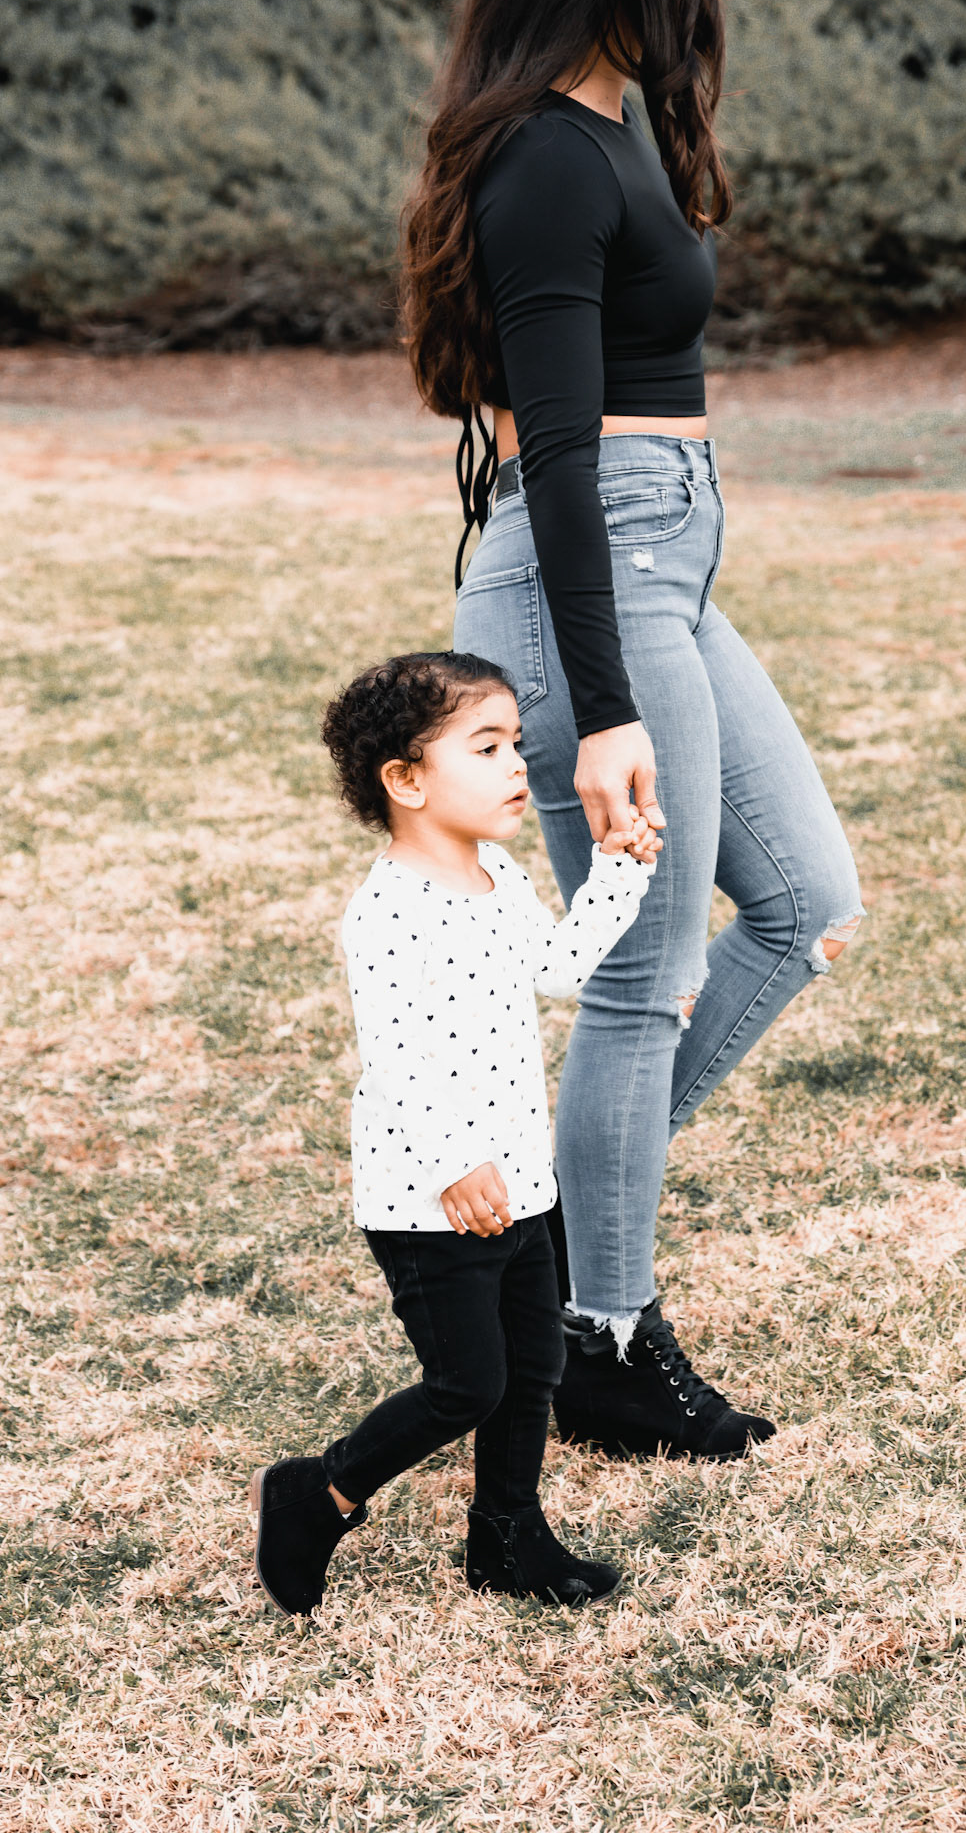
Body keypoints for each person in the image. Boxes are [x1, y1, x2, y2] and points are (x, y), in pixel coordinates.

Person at [401, 0, 864, 1462]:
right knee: (642, 980)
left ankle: (538, 1242)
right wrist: (599, 711)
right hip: (585, 580)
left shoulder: (613, 127)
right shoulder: (542, 156)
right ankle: (598, 1330)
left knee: (803, 903)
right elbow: (555, 449)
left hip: (658, 570)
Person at [249, 650, 657, 1617]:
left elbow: (557, 968)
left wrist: (618, 871)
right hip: (429, 1198)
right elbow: (397, 1058)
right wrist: (451, 1163)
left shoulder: (497, 874)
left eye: (516, 743)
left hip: (517, 1180)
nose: (518, 764)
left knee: (533, 1369)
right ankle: (319, 1491)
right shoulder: (388, 912)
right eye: (486, 747)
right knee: (467, 1383)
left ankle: (507, 1535)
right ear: (406, 780)